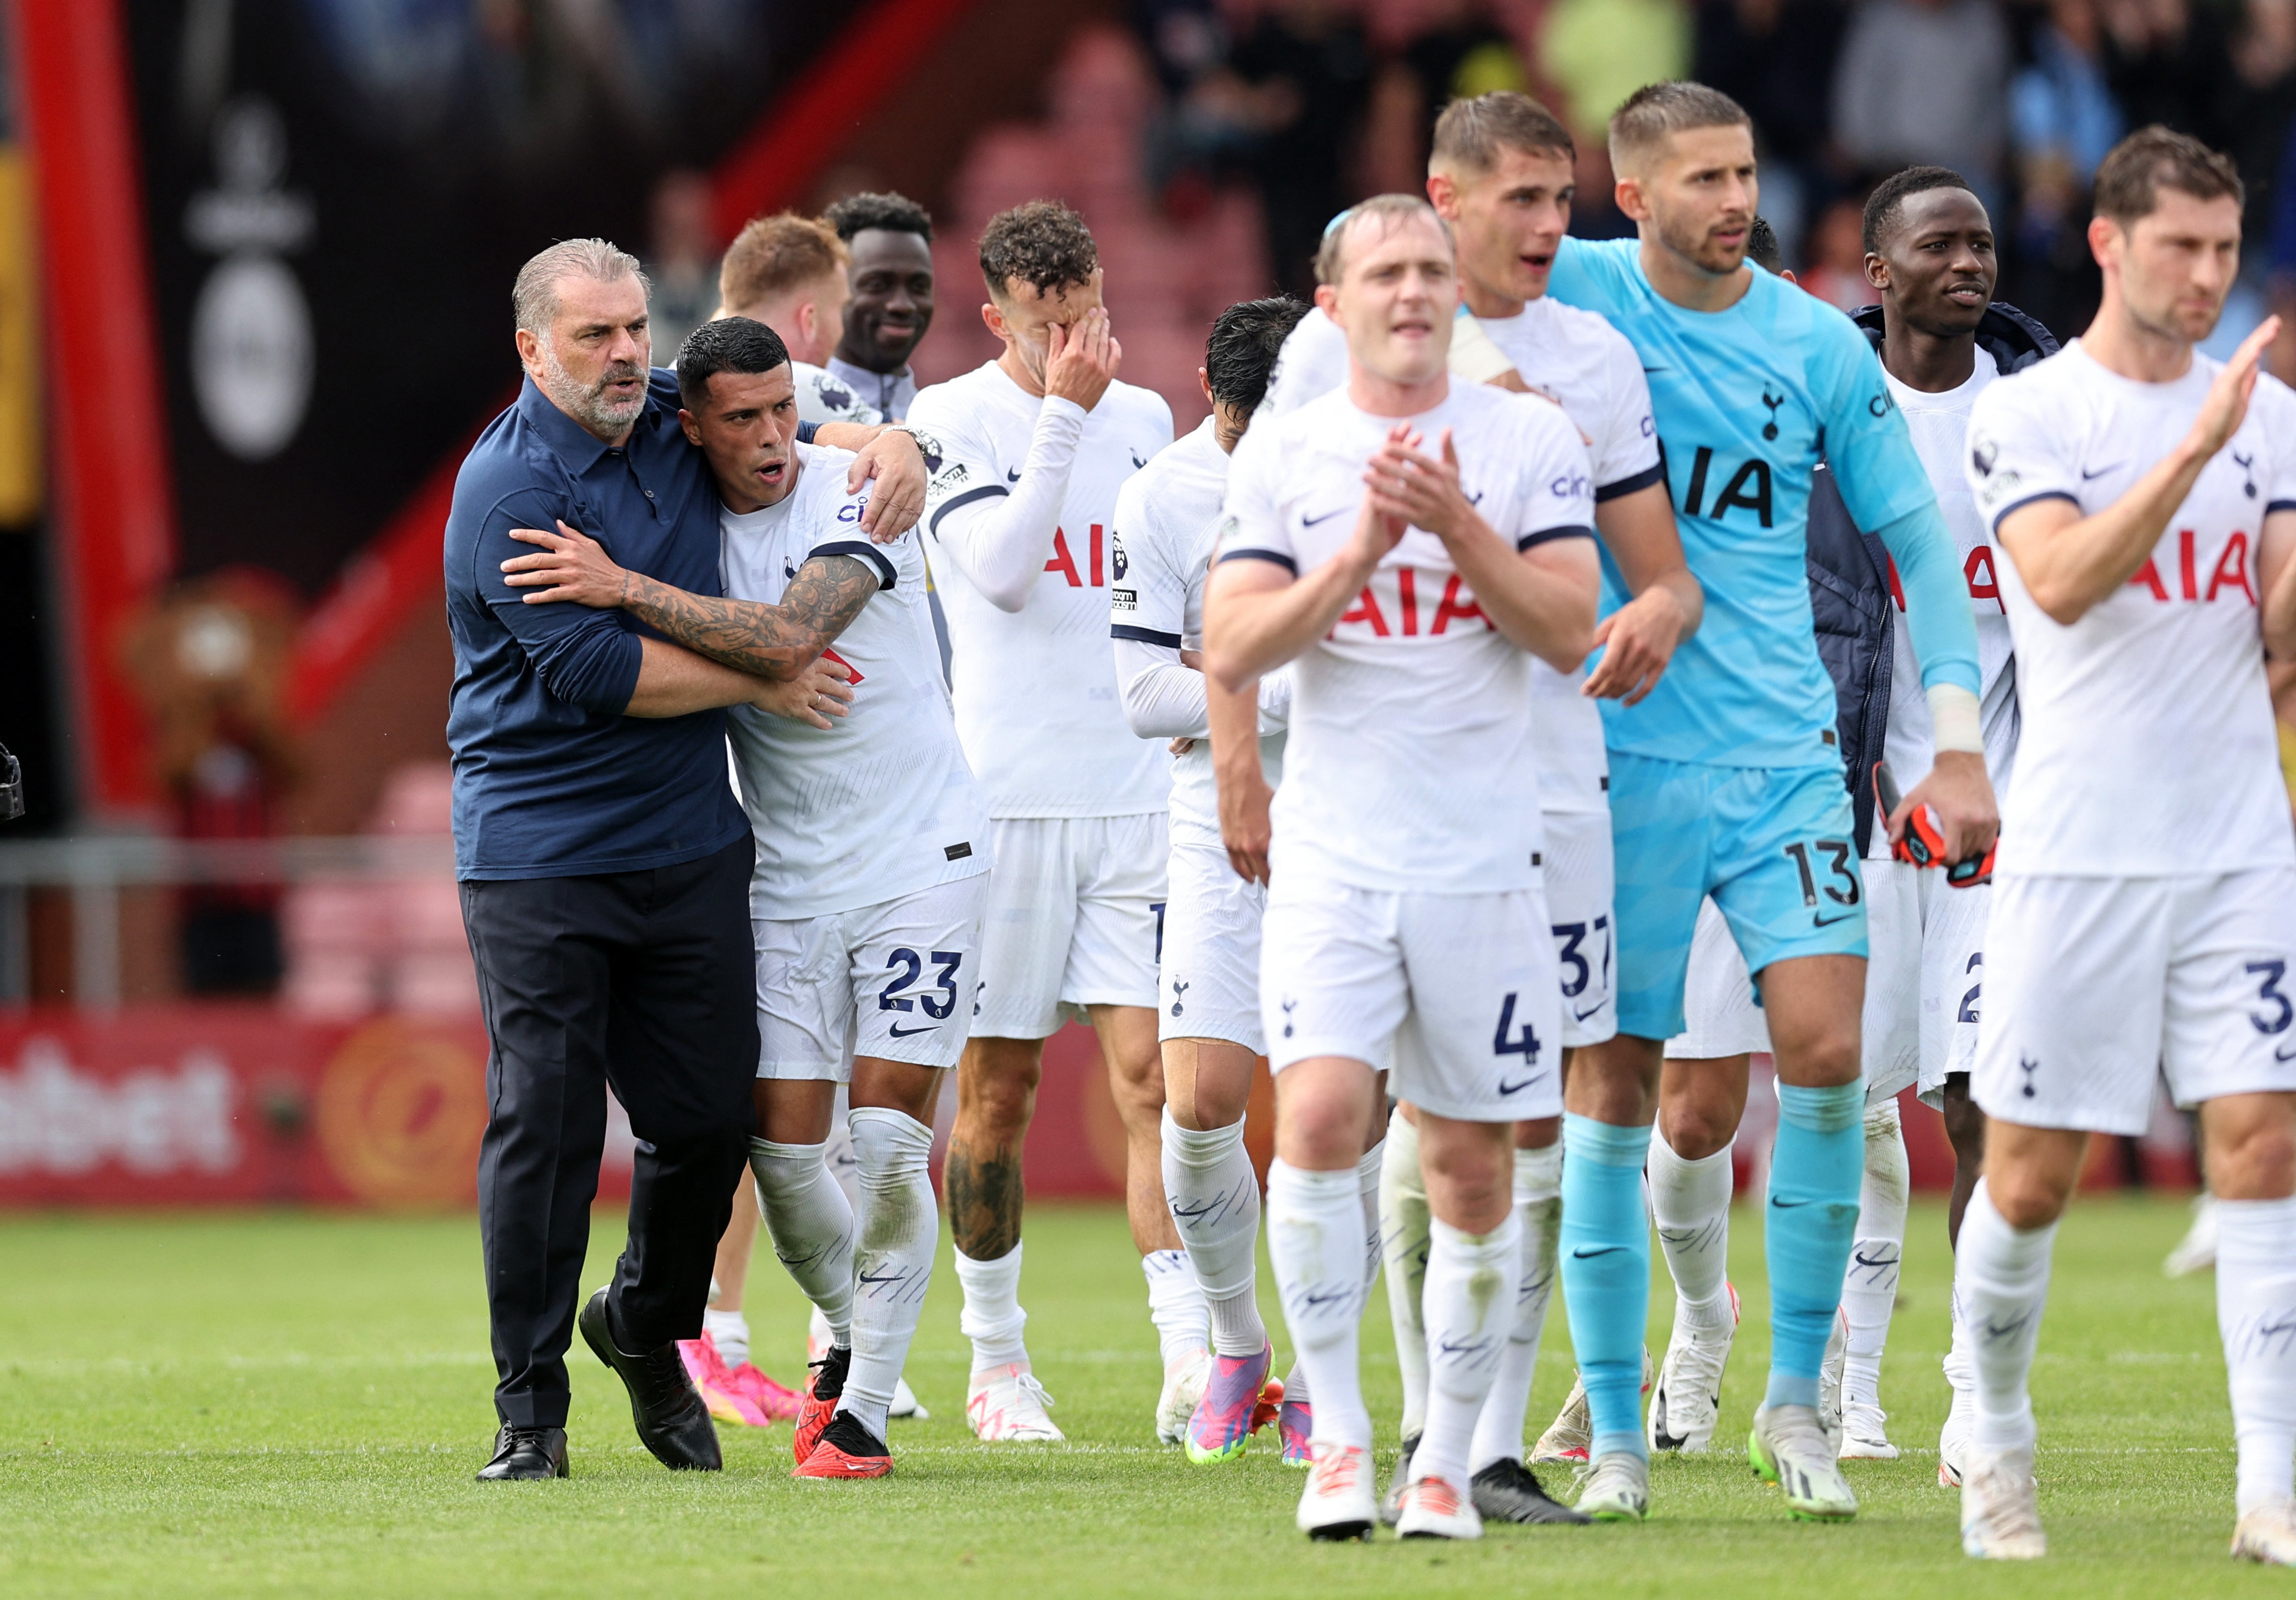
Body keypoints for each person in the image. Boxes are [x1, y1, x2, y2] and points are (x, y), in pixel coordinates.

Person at [1538, 84, 1995, 1524]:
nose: (1735, 197)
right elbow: (1397, 277)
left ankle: (1795, 1403)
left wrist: (1959, 738)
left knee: (1822, 1053)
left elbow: (1913, 530)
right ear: (1631, 195)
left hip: (1790, 754)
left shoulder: (1806, 338)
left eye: (1742, 171)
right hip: (1622, 761)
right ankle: (1615, 1425)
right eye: (1701, 178)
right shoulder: (1569, 296)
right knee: (1617, 1084)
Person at [1269, 91, 1702, 1523]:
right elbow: (1249, 549)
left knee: (1523, 1117)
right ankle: (1382, 1426)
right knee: (1357, 1106)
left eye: (1559, 195)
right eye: (1518, 197)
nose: (1549, 224)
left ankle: (1484, 1440)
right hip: (1370, 789)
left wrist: (1657, 609)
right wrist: (1227, 757)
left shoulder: (1588, 357)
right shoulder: (1319, 360)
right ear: (1439, 208)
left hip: (1547, 784)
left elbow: (1658, 574)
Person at [445, 239, 922, 1482]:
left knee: (713, 1126)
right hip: (538, 855)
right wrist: (773, 663)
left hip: (690, 844)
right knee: (543, 1124)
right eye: (592, 336)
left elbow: (796, 421)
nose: (622, 356)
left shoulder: (667, 409)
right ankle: (528, 1411)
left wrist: (893, 447)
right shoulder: (502, 490)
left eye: (631, 331)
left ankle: (643, 1327)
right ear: (531, 350)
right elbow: (600, 675)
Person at [1634, 170, 2051, 1479]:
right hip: (1836, 798)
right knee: (1784, 1107)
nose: (1968, 263)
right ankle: (1735, 1338)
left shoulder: (2039, 419)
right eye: (1940, 243)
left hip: (2000, 809)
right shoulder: (1809, 412)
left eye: (1982, 243)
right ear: (1875, 269)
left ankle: (1954, 1397)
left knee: (1981, 1105)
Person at [1206, 193, 1602, 1542]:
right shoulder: (1290, 453)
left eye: (1432, 269)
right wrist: (1365, 553)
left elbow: (1565, 629)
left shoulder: (1527, 437)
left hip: (1487, 859)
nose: (1413, 291)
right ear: (1333, 301)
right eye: (1384, 272)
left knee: (1474, 1170)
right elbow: (1234, 643)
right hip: (1333, 853)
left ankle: (1445, 1453)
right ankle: (1343, 1439)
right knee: (1316, 1122)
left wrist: (1455, 527)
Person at [1954, 126, 2296, 1565]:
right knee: (2028, 1174)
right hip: (2077, 844)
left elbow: (2271, 622)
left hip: (2231, 838)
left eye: (2223, 250)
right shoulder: (2031, 416)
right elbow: (2064, 581)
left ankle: (2269, 1488)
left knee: (2263, 1144)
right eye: (2180, 247)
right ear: (2108, 243)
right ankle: (1997, 1447)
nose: (2206, 275)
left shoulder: (2264, 415)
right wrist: (2189, 453)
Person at [906, 202, 1185, 1442]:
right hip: (1008, 800)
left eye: (1089, 313)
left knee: (1158, 1083)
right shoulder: (948, 422)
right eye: (1047, 320)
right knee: (999, 1092)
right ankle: (996, 1362)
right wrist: (1062, 418)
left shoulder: (1150, 419)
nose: (1074, 339)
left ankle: (1196, 1360)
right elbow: (1008, 571)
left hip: (1132, 791)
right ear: (997, 315)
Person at [1111, 295, 1307, 1466]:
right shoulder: (1163, 495)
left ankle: (1326, 1379)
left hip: (1345, 810)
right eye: (1242, 423)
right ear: (1209, 394)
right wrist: (1270, 687)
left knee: (1344, 1113)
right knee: (1197, 1107)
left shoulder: (1352, 471)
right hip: (1209, 817)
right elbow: (1144, 699)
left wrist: (1227, 673)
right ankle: (1236, 1344)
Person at [717, 212, 880, 425]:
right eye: (841, 309)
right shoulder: (803, 386)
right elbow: (915, 446)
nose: (844, 328)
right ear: (809, 321)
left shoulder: (678, 378)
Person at [824, 192, 938, 420]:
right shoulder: (792, 415)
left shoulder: (944, 421)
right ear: (831, 290)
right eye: (877, 285)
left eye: (918, 287)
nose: (902, 305)